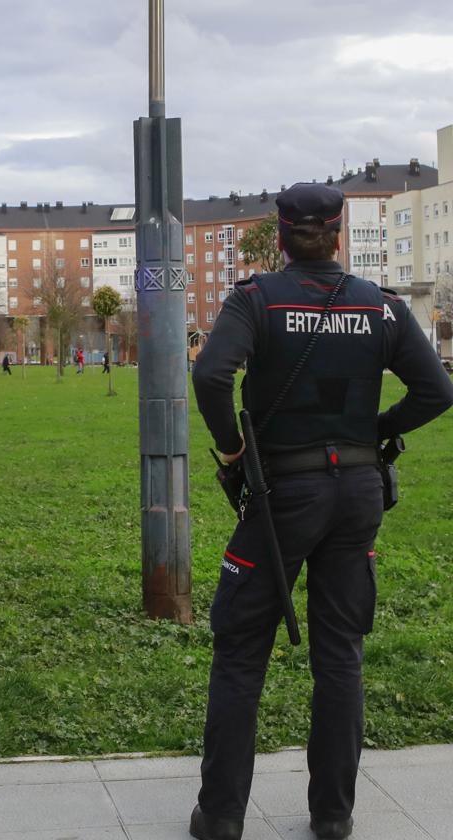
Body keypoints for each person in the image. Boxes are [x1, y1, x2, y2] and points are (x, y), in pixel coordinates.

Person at [189, 183, 453, 840]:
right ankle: (333, 816)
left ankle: (221, 815)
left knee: (241, 651)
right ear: (338, 233)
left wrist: (231, 451)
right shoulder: (381, 308)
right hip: (357, 494)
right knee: (341, 654)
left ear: (280, 235)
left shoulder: (256, 300)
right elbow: (438, 390)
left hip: (283, 495)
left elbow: (211, 375)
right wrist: (375, 430)